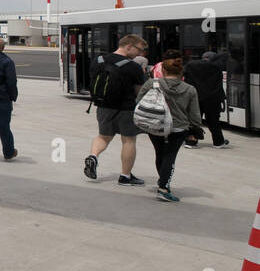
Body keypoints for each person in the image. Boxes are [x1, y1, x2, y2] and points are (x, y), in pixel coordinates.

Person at [136, 51, 204, 202]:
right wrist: (195, 129)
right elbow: (194, 114)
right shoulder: (189, 89)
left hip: (155, 125)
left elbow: (139, 101)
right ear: (181, 72)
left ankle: (163, 182)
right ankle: (164, 187)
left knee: (160, 154)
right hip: (178, 128)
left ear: (164, 70)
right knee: (170, 156)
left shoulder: (151, 84)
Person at [84, 34, 149, 185]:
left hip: (103, 106)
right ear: (128, 46)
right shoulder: (133, 67)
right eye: (139, 50)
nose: (140, 54)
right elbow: (139, 91)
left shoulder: (98, 60)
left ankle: (93, 156)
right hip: (126, 108)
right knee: (128, 141)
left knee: (103, 136)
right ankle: (125, 176)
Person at [184, 50, 229, 147]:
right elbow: (218, 85)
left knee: (194, 120)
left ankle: (191, 141)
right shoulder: (216, 67)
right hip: (213, 99)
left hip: (196, 98)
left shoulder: (191, 65)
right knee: (214, 121)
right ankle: (218, 142)